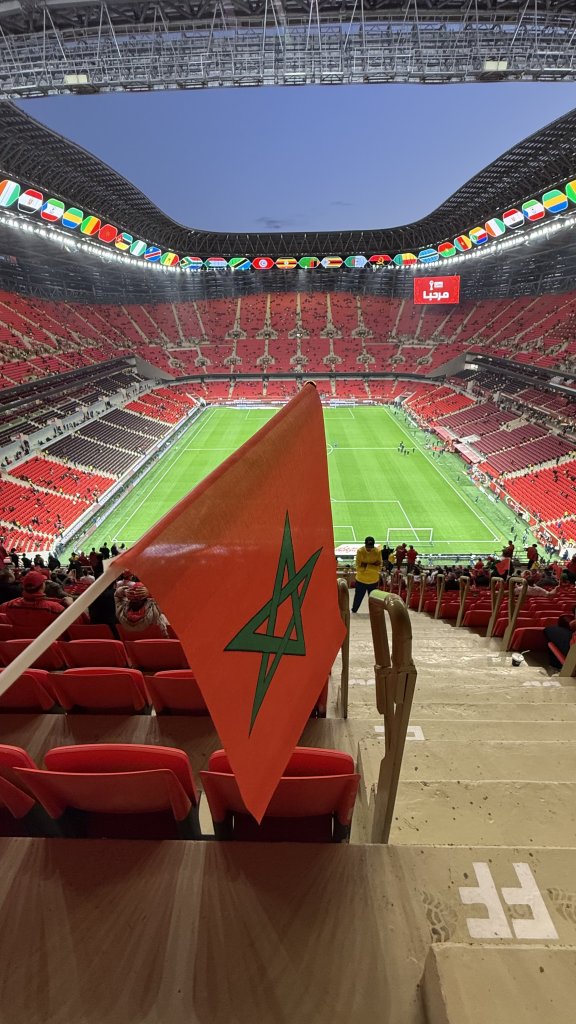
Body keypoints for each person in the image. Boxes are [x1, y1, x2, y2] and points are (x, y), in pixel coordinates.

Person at [352, 537, 382, 614]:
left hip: (373, 580)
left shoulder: (377, 551)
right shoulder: (360, 551)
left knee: (373, 600)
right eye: (368, 547)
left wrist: (366, 565)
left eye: (371, 547)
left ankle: (374, 614)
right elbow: (358, 568)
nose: (369, 549)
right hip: (361, 580)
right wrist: (373, 565)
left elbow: (379, 568)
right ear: (365, 544)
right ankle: (354, 611)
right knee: (358, 598)